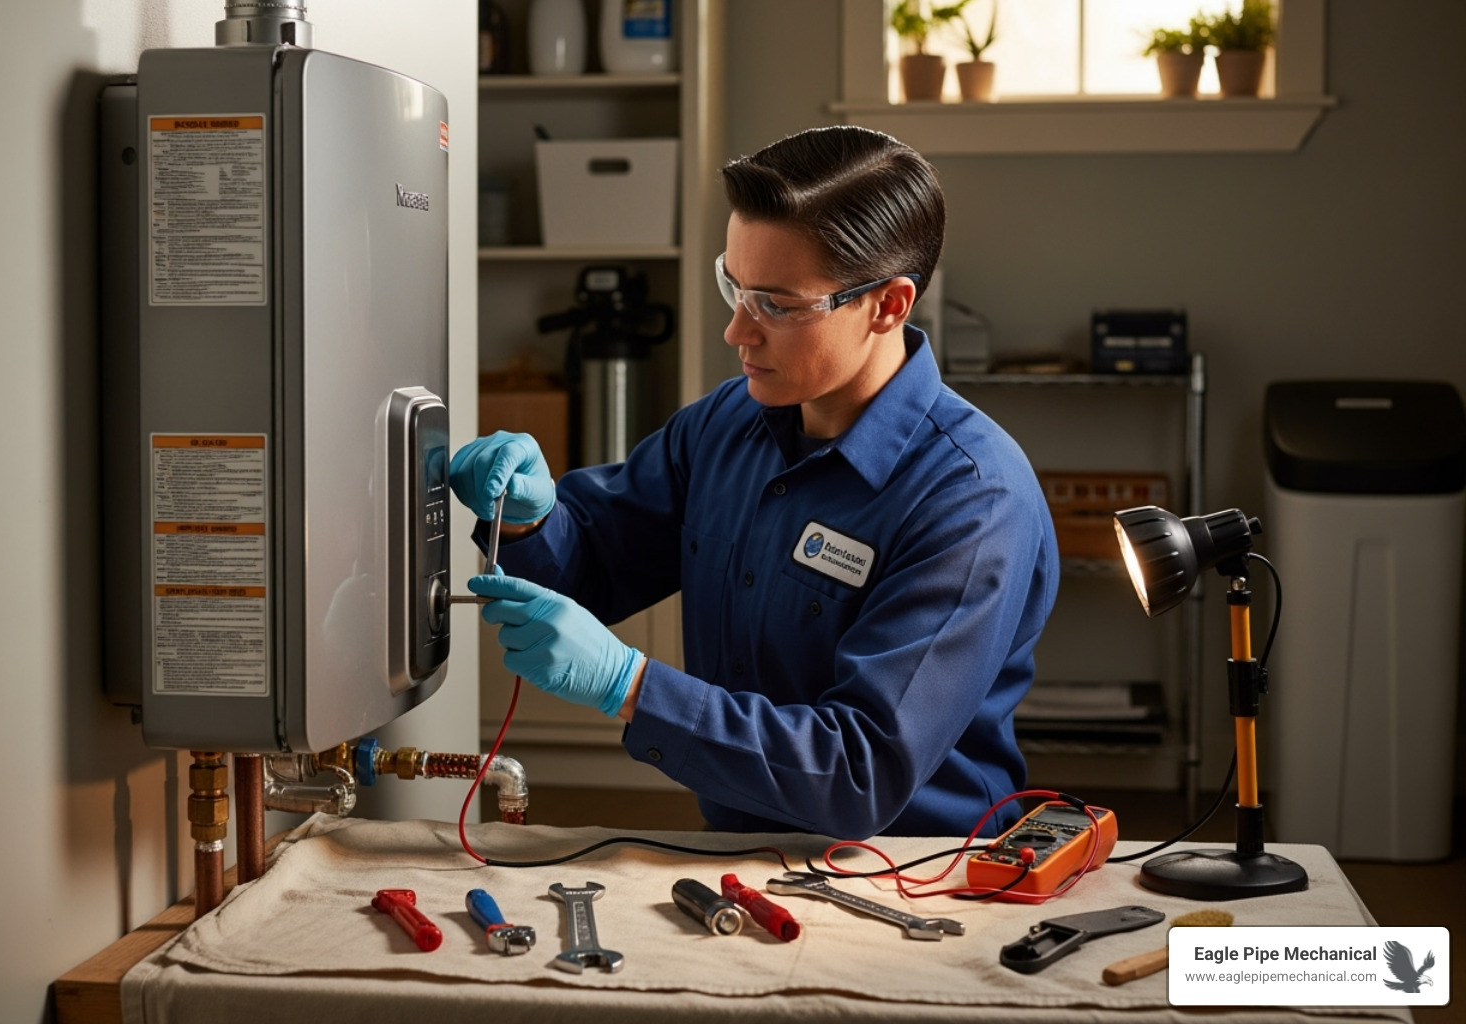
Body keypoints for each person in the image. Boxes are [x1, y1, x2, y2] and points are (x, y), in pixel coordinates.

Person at [453, 126, 1058, 840]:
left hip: (914, 874)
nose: (737, 331)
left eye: (777, 304)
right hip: (738, 851)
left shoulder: (974, 501)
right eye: (735, 288)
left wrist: (631, 687)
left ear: (889, 305)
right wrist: (529, 517)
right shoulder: (727, 424)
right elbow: (594, 558)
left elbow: (858, 770)